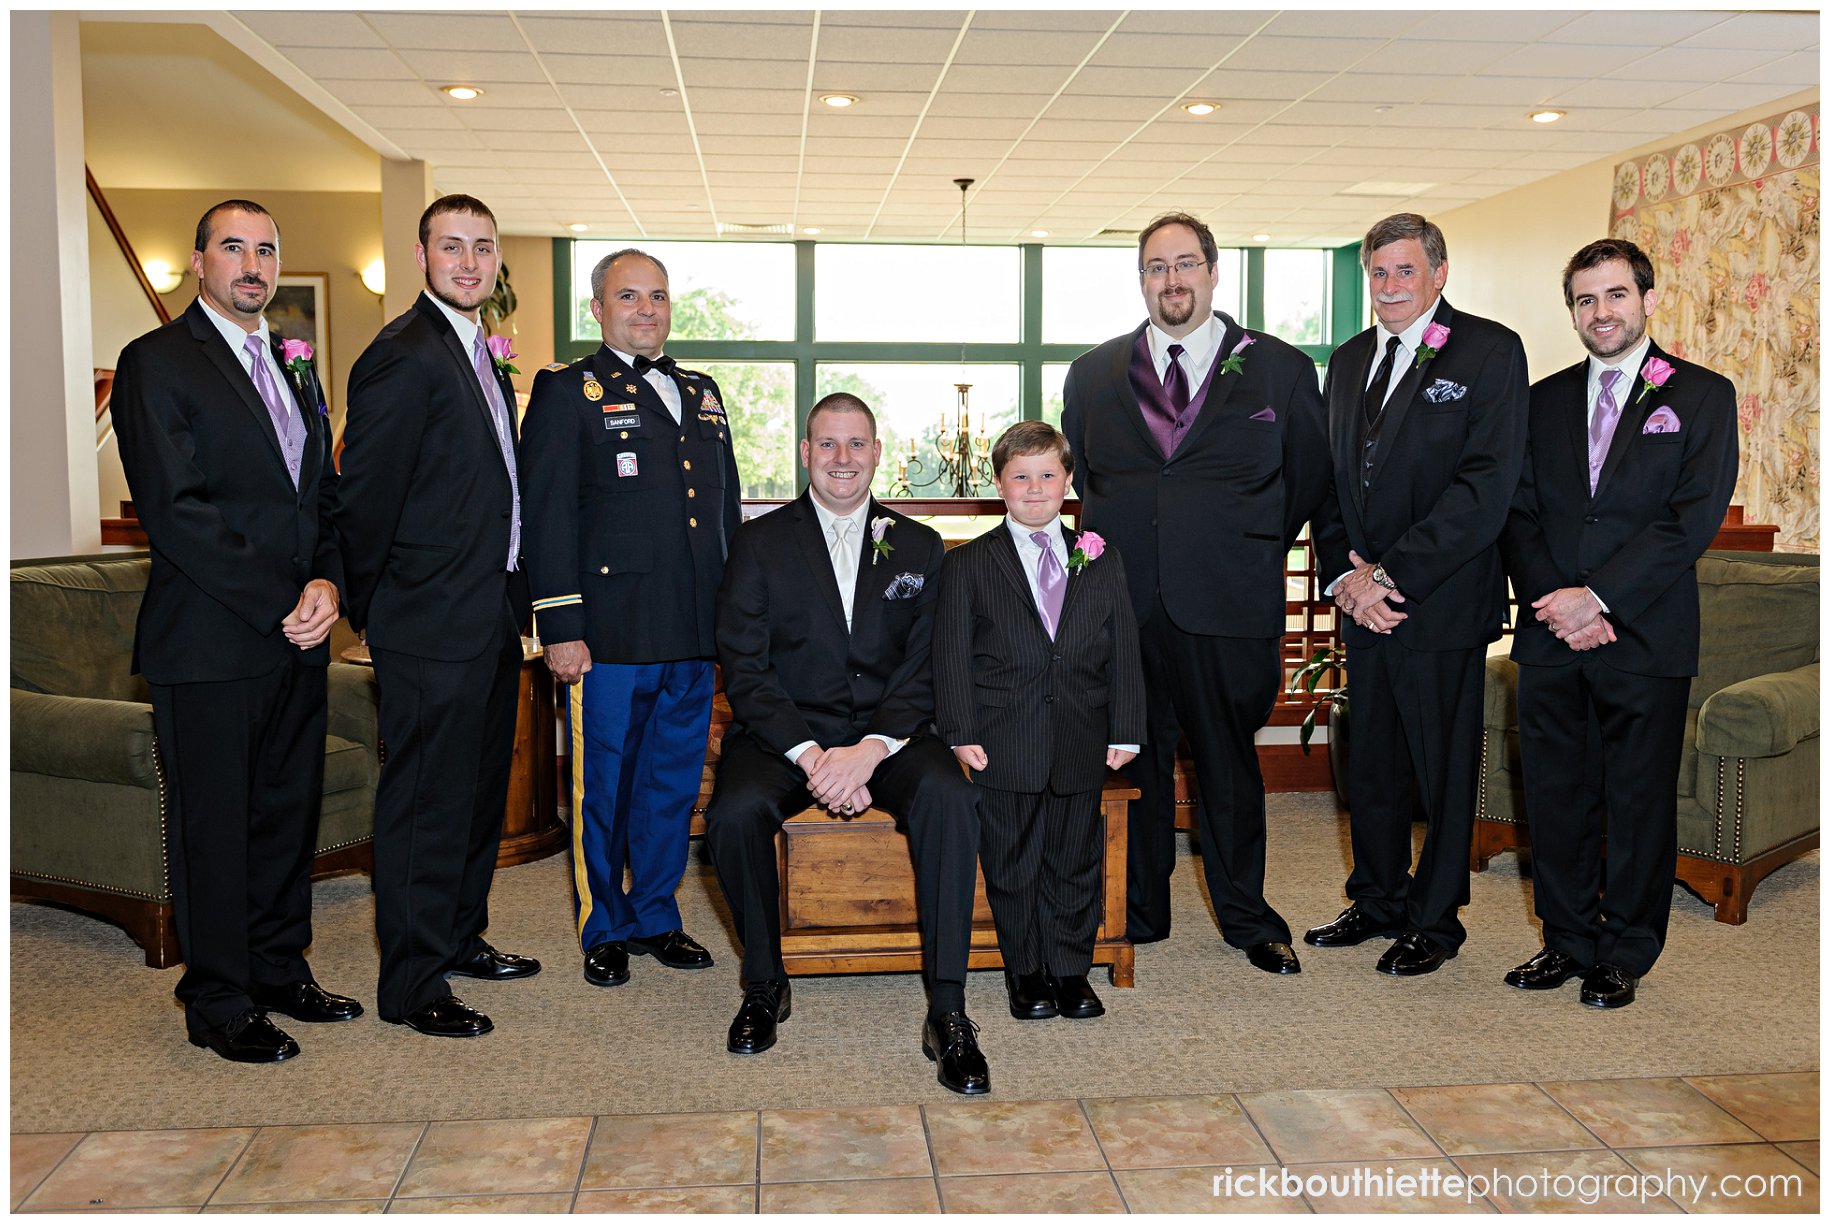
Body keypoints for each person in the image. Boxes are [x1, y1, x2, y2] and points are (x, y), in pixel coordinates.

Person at [111, 199, 359, 1063]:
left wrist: (328, 579)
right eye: (234, 248)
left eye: (266, 249)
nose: (252, 264)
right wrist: (278, 600)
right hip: (210, 642)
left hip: (298, 638)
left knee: (286, 815)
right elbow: (177, 514)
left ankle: (279, 968)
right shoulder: (156, 363)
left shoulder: (295, 363)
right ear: (199, 261)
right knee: (215, 827)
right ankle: (217, 1000)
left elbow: (319, 498)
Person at [1061, 211, 1340, 974]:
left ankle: (1249, 918)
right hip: (1128, 608)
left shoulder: (1280, 369)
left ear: (1215, 273)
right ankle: (1140, 911)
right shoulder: (1094, 374)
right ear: (1142, 279)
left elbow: (1309, 476)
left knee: (1227, 766)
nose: (1172, 280)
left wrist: (1242, 543)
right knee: (1135, 762)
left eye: (1186, 264)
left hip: (1228, 603)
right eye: (1157, 267)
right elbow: (1087, 477)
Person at [704, 393, 989, 1095]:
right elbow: (746, 667)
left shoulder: (918, 546)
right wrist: (809, 755)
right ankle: (765, 982)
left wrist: (870, 750)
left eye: (856, 444)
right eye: (827, 444)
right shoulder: (759, 543)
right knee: (732, 815)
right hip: (784, 736)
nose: (842, 459)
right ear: (805, 453)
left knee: (952, 800)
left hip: (889, 734)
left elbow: (925, 668)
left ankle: (948, 1009)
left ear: (876, 453)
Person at [1500, 238, 1739, 1009]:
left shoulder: (1701, 395)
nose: (1600, 313)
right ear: (1571, 309)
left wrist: (1597, 599)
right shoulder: (1541, 399)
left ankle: (1625, 952)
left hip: (1645, 636)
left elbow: (1688, 519)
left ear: (1645, 298)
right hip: (1548, 636)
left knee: (1637, 804)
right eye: (1584, 300)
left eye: (1614, 296)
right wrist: (1558, 604)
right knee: (1556, 797)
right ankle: (1566, 942)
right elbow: (1519, 511)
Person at [335, 194, 540, 1038]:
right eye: (450, 247)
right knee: (425, 804)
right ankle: (412, 984)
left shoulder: (479, 351)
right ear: (421, 256)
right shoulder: (402, 355)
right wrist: (371, 608)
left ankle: (459, 937)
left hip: (487, 613)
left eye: (482, 248)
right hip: (427, 620)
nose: (468, 262)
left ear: (496, 262)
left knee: (476, 792)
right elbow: (368, 497)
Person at [1305, 213, 1527, 976]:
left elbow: (1484, 486)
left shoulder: (1489, 350)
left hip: (1438, 601)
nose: (1390, 287)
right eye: (1378, 272)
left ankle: (1435, 921)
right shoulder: (1347, 360)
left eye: (1405, 271)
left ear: (1438, 272)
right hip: (1364, 604)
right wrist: (1347, 579)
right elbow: (1329, 483)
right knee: (1371, 762)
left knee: (1440, 768)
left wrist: (1390, 576)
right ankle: (1376, 899)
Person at [522, 249, 741, 988]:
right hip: (607, 633)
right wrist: (559, 624)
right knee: (604, 785)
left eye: (657, 296)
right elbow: (546, 516)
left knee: (672, 784)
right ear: (599, 309)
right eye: (628, 296)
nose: (645, 310)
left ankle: (655, 914)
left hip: (691, 631)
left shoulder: (702, 392)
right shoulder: (566, 392)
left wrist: (735, 622)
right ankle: (603, 923)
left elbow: (721, 518)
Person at [933, 421, 1146, 1022]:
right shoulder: (970, 563)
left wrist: (1126, 728)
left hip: (1082, 733)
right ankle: (1025, 972)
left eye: (1048, 475)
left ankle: (1070, 970)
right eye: (1020, 477)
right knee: (1013, 861)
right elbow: (950, 655)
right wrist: (960, 730)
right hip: (1004, 738)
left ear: (1068, 481)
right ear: (998, 484)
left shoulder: (1099, 557)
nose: (1035, 488)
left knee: (1075, 857)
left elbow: (1124, 648)